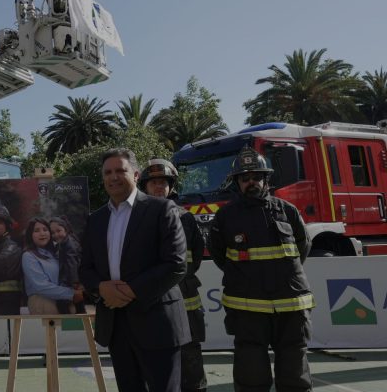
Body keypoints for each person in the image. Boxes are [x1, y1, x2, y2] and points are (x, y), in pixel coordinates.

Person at [79, 148, 190, 392]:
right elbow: (85, 268)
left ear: (136, 174)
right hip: (116, 326)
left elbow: (176, 264)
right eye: (108, 172)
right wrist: (101, 287)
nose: (113, 177)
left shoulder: (162, 210)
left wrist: (131, 291)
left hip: (158, 323)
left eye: (121, 170)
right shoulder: (95, 220)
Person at [209, 146, 314, 392]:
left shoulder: (287, 211)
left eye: (256, 177)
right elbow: (219, 255)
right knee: (250, 371)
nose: (251, 182)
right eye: (245, 178)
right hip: (247, 309)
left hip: (291, 306)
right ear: (237, 183)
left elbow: (302, 246)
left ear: (266, 179)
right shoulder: (225, 217)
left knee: (294, 371)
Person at [139, 159, 207, 392]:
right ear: (145, 186)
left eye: (164, 183)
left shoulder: (186, 218)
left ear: (171, 187)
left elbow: (195, 256)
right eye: (154, 182)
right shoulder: (135, 218)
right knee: (154, 359)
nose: (159, 187)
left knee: (190, 358)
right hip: (152, 301)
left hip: (186, 298)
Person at [21, 217, 83, 314]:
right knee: (52, 329)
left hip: (65, 301)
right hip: (43, 301)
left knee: (73, 328)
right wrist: (72, 294)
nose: (42, 233)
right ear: (30, 235)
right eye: (36, 231)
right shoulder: (29, 256)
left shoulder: (56, 252)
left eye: (45, 230)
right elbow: (41, 286)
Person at [49, 216, 86, 314]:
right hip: (71, 280)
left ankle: (70, 324)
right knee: (78, 304)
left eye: (59, 231)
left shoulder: (69, 244)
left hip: (70, 281)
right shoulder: (66, 242)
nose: (56, 235)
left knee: (62, 303)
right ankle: (80, 324)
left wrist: (75, 282)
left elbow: (72, 263)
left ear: (66, 229)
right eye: (53, 233)